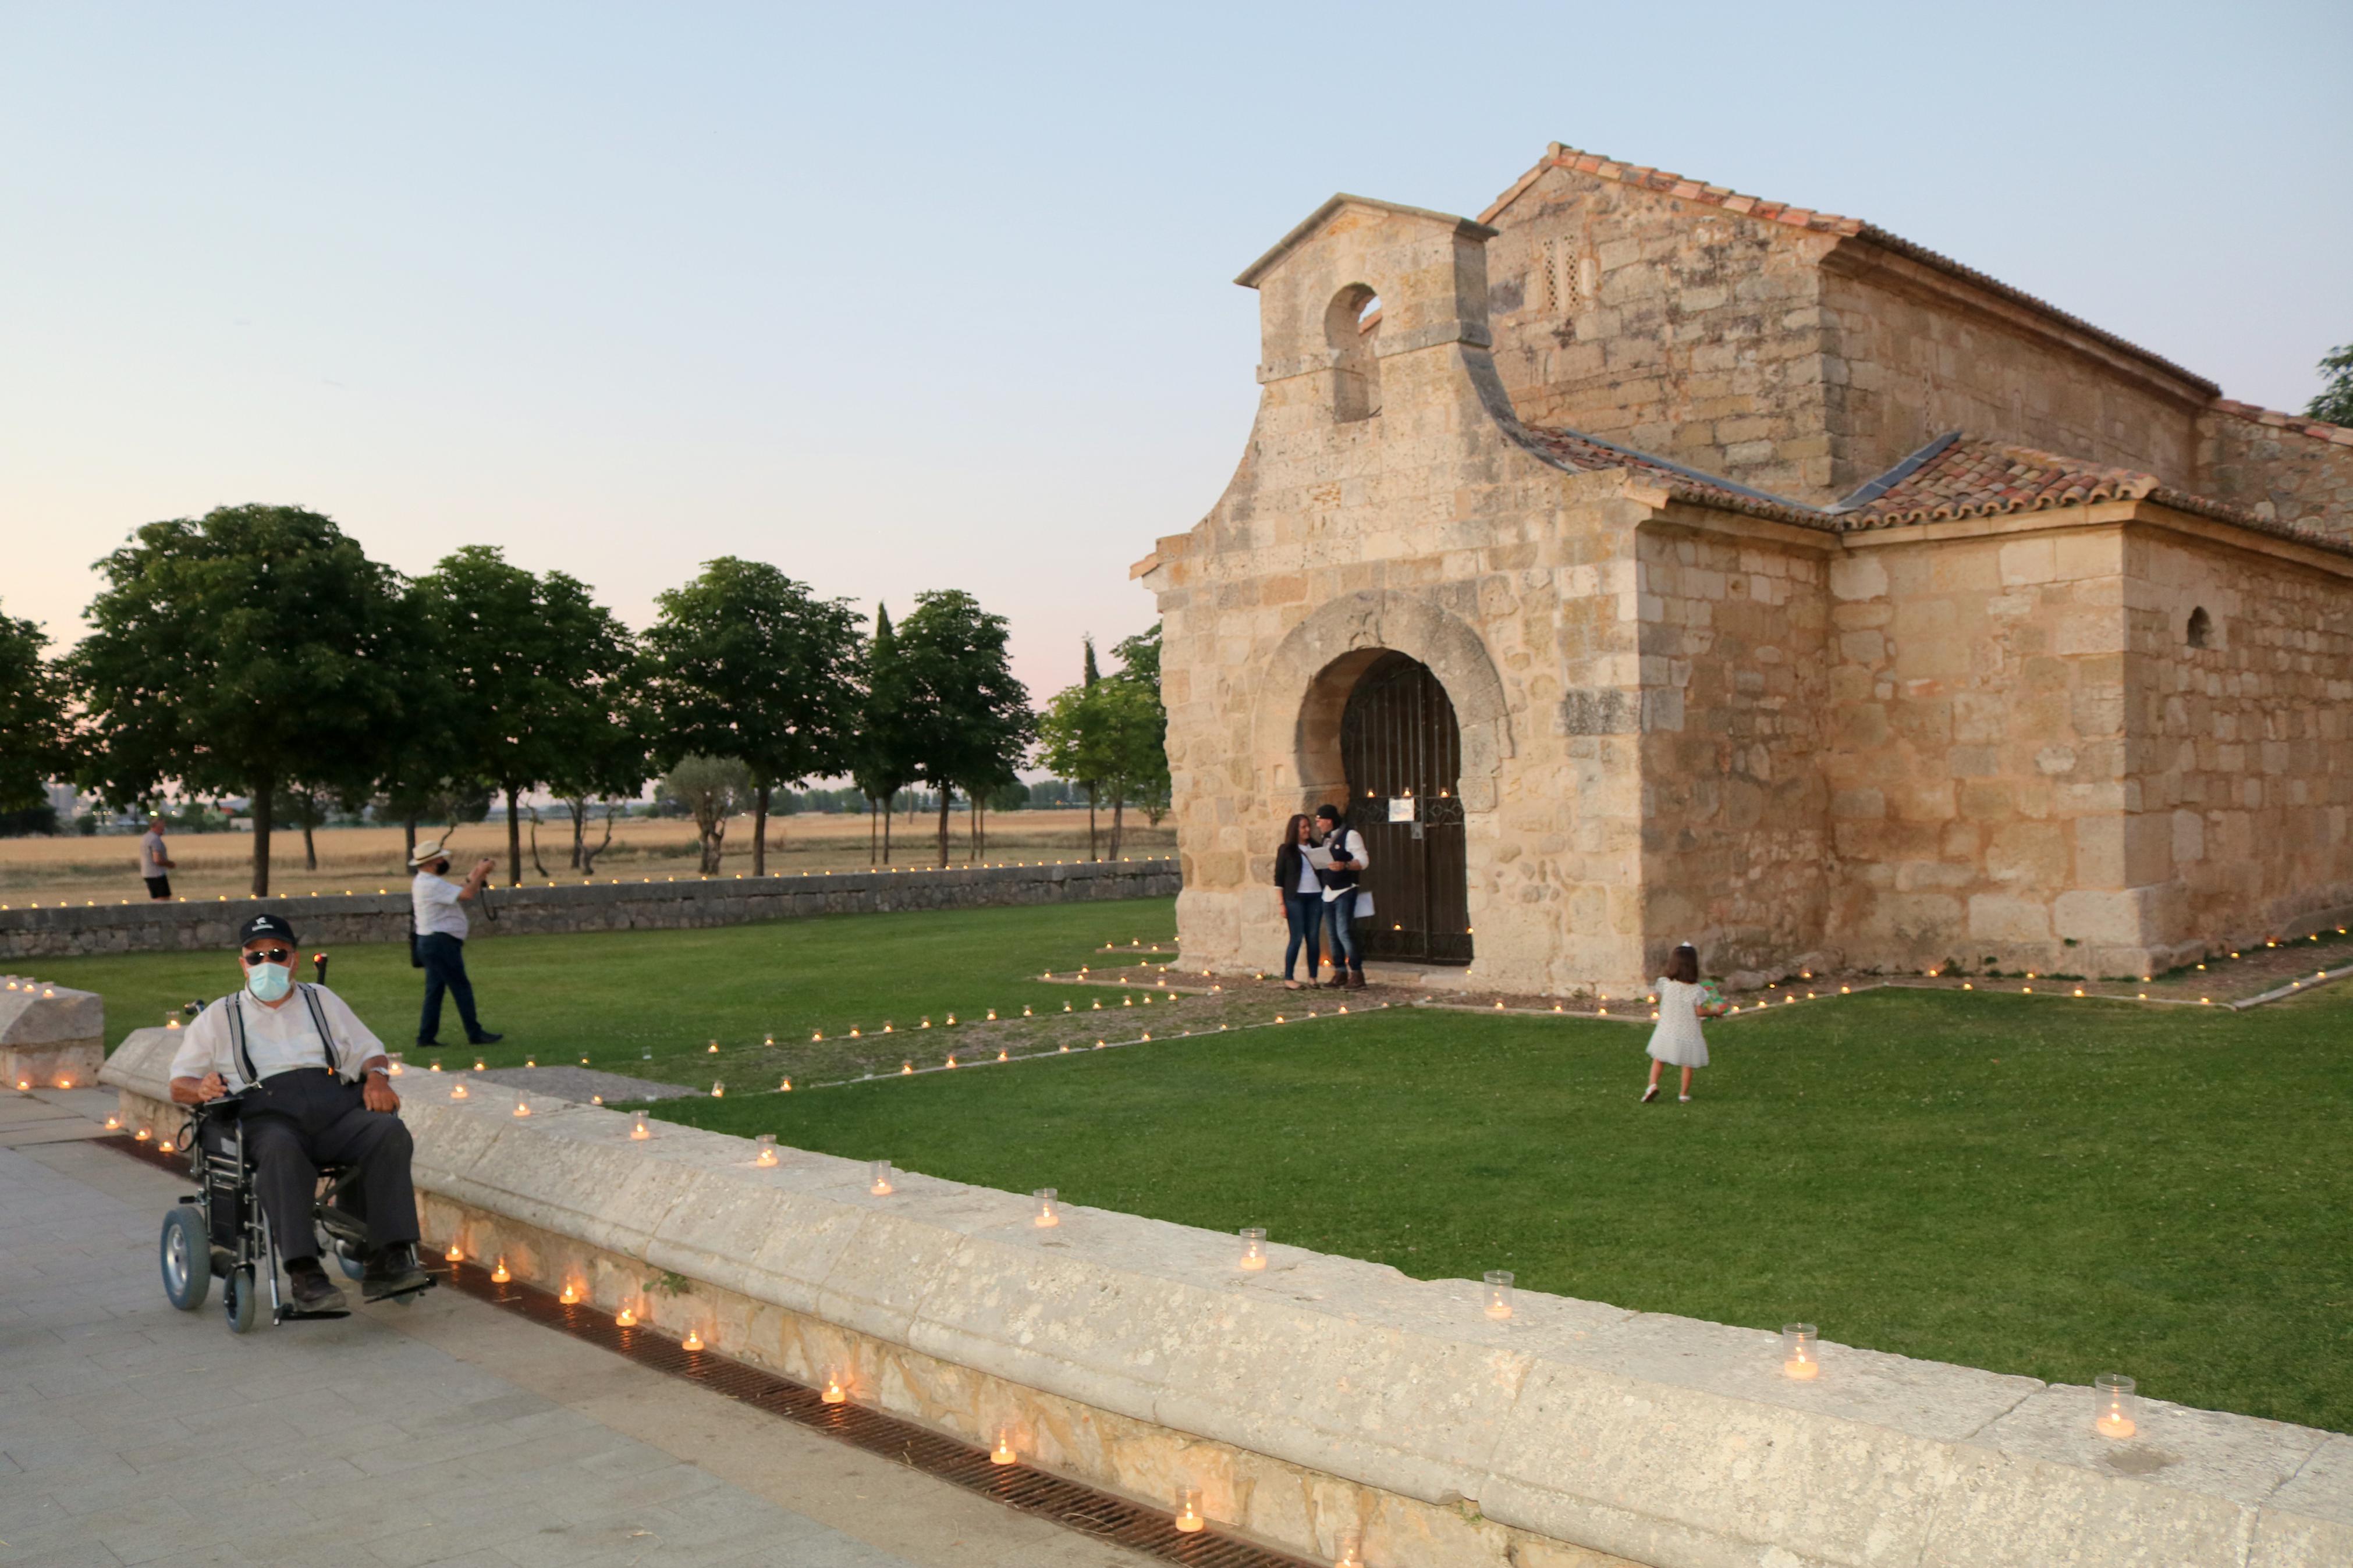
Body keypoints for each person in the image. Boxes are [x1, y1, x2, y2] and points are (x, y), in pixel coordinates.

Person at [168, 912, 431, 1310]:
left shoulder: (321, 1000)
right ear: (243, 963)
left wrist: (377, 1077)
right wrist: (200, 1088)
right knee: (280, 1150)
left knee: (388, 1132)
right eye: (255, 957)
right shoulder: (220, 1015)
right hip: (266, 1113)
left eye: (277, 953)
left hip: (334, 1108)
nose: (266, 963)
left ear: (295, 958)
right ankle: (305, 1272)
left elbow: (369, 1050)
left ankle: (388, 1258)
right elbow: (178, 1083)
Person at [409, 841, 502, 1048]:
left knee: (435, 991)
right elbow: (467, 894)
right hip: (440, 943)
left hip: (431, 942)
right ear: (432, 862)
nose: (444, 861)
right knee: (461, 988)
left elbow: (459, 890)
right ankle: (474, 1033)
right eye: (440, 858)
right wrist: (481, 873)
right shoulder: (431, 884)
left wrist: (476, 874)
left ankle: (426, 1036)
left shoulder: (426, 881)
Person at [1644, 942, 1712, 1103]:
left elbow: (1659, 996)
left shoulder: (1666, 985)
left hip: (1667, 1030)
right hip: (1688, 1032)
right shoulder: (1696, 990)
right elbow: (1699, 1012)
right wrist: (1715, 1013)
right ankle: (1683, 1094)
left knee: (1659, 1059)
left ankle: (1652, 1085)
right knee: (1687, 1064)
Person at [1314, 802, 1370, 990]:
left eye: (1319, 821)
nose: (1318, 825)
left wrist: (1344, 865)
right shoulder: (1326, 839)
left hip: (1345, 889)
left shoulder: (1351, 836)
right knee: (1332, 934)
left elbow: (1363, 861)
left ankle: (1357, 972)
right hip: (1328, 891)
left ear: (1329, 821)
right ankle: (1340, 971)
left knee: (1344, 931)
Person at [1273, 813, 1326, 990]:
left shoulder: (1316, 847)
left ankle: (1313, 977)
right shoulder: (1286, 850)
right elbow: (1279, 879)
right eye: (1303, 827)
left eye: (1308, 826)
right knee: (1296, 937)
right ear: (1295, 829)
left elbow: (1323, 871)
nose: (1307, 830)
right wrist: (1282, 903)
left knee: (1313, 937)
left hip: (1315, 895)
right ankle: (1289, 977)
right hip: (1295, 897)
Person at [137, 814, 176, 900]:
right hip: (157, 874)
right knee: (163, 900)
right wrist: (170, 864)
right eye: (162, 827)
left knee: (156, 899)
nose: (164, 829)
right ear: (156, 827)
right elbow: (157, 859)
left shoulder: (146, 837)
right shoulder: (155, 840)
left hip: (147, 873)